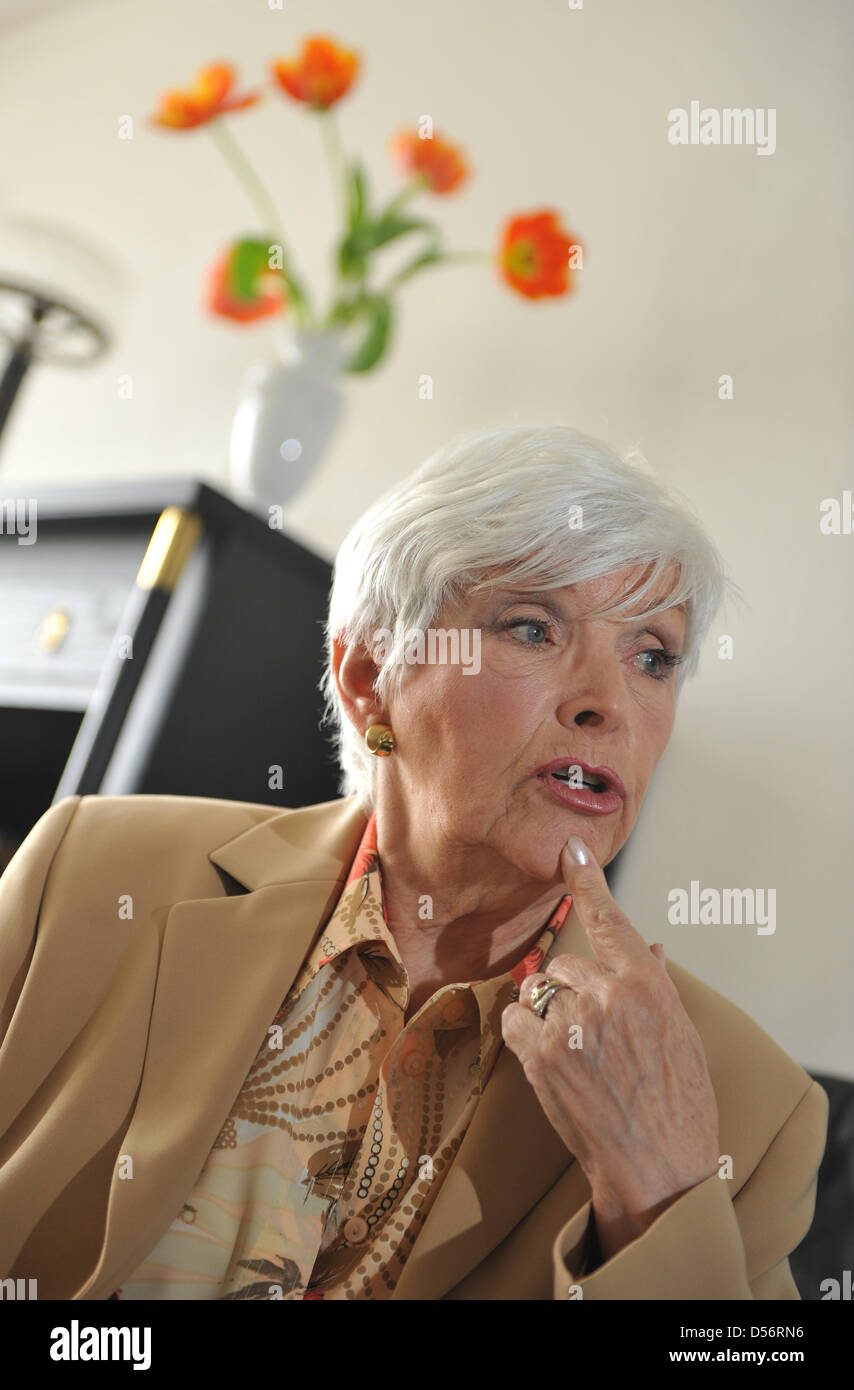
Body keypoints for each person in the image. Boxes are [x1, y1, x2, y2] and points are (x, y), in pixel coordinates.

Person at [0, 425, 827, 1300]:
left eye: (652, 657)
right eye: (532, 628)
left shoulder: (753, 1109)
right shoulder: (89, 872)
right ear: (368, 680)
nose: (607, 705)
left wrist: (660, 1197)